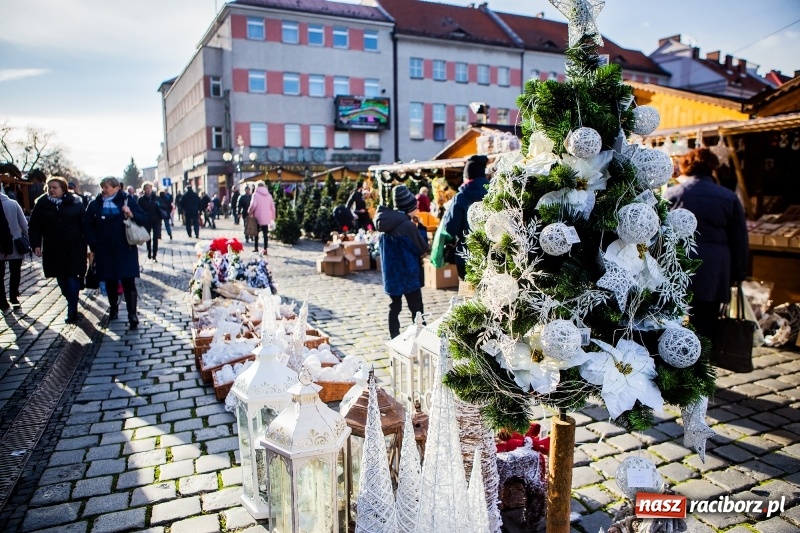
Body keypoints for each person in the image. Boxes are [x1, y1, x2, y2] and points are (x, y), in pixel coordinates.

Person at [663, 147, 749, 340]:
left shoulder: (674, 194)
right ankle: (703, 355)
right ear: (713, 168)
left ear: (686, 167)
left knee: (672, 319)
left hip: (680, 263)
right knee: (706, 323)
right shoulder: (728, 197)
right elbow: (739, 239)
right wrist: (739, 273)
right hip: (715, 268)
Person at [84, 177, 147, 329]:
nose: (103, 190)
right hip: (104, 250)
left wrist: (131, 213)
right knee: (110, 281)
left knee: (128, 282)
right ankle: (113, 307)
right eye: (102, 187)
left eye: (107, 187)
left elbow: (144, 218)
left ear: (117, 188)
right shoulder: (94, 204)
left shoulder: (127, 201)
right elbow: (87, 225)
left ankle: (132, 314)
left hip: (125, 248)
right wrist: (94, 243)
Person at [27, 176, 87, 322]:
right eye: (49, 188)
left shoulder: (75, 203)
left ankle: (72, 311)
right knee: (61, 280)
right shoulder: (42, 204)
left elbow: (84, 224)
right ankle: (71, 300)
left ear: (63, 189)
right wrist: (36, 244)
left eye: (55, 187)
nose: (51, 190)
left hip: (74, 247)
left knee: (71, 276)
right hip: (53, 248)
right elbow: (34, 227)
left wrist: (89, 243)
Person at [374, 185, 427, 339]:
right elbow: (421, 247)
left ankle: (394, 337)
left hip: (392, 276)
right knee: (417, 309)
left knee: (394, 307)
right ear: (409, 208)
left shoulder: (384, 222)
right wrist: (421, 228)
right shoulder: (407, 226)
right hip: (408, 275)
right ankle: (421, 337)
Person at [442, 154, 490, 280]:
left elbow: (450, 228)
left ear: (467, 176)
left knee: (468, 289)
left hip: (466, 254)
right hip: (491, 254)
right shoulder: (493, 192)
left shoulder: (461, 197)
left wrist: (447, 214)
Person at [0, 167, 29, 311]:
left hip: (0, 244)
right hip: (16, 242)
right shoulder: (13, 203)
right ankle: (13, 296)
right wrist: (30, 240)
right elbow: (24, 224)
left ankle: (2, 300)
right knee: (15, 272)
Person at [248, 182, 276, 253]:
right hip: (266, 217)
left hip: (257, 216)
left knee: (256, 233)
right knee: (265, 233)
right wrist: (273, 217)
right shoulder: (269, 195)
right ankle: (265, 249)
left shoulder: (255, 194)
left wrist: (250, 211)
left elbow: (253, 205)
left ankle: (256, 247)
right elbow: (273, 207)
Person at [138, 181, 162, 261]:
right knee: (148, 238)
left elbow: (161, 207)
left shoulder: (156, 198)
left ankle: (154, 255)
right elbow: (139, 210)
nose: (148, 190)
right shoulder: (141, 200)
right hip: (147, 221)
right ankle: (149, 252)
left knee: (155, 238)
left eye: (149, 188)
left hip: (156, 220)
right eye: (146, 188)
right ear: (144, 190)